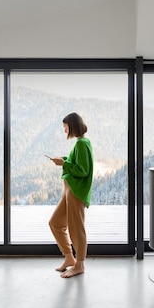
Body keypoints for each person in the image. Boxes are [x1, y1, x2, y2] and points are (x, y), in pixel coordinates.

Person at [48, 112, 94, 278]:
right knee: (55, 223)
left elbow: (83, 171)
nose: (64, 130)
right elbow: (77, 163)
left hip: (76, 192)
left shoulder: (82, 144)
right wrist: (65, 159)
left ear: (72, 126)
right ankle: (69, 257)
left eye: (66, 127)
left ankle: (79, 264)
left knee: (76, 229)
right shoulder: (80, 143)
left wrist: (64, 164)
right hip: (69, 191)